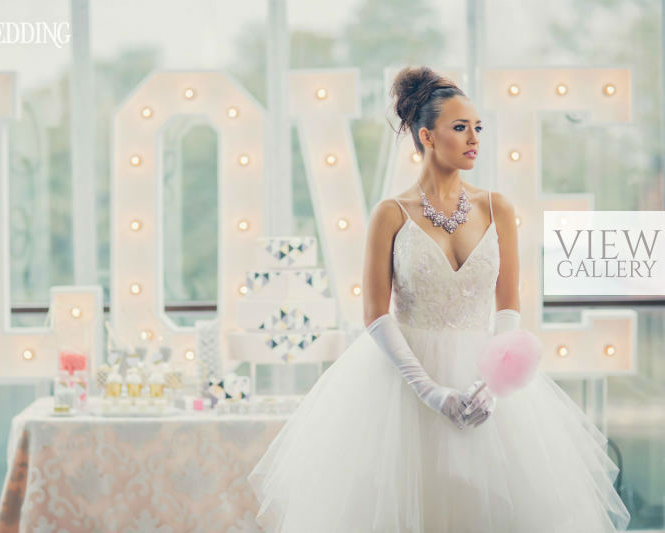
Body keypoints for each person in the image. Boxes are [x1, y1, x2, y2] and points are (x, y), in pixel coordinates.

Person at [247, 66, 631, 532]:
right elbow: (374, 315)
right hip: (403, 388)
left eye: (477, 127)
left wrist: (493, 382)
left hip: (482, 378)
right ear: (427, 137)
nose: (473, 138)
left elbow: (508, 305)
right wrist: (430, 393)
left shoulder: (498, 208)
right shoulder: (390, 213)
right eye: (459, 127)